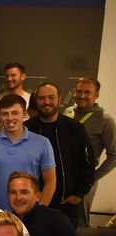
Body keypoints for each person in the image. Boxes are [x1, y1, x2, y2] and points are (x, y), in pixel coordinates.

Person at [25, 83, 95, 228]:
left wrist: (78, 194)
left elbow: (88, 163)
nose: (46, 102)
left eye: (51, 97)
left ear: (59, 99)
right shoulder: (27, 129)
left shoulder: (74, 128)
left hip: (66, 205)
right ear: (36, 100)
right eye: (41, 98)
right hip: (32, 204)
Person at [0, 94, 56, 211]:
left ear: (24, 114)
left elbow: (51, 181)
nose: (9, 118)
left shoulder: (42, 143)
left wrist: (40, 212)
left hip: (29, 213)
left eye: (15, 113)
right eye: (5, 114)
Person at [63, 76, 116, 227]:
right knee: (61, 221)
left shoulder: (105, 119)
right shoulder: (68, 112)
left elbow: (114, 156)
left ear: (97, 95)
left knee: (80, 223)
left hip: (84, 180)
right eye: (79, 91)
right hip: (64, 177)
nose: (82, 96)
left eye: (87, 92)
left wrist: (93, 177)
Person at [0, 62, 32, 128]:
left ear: (23, 76)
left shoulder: (31, 99)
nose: (9, 79)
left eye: (13, 75)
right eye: (7, 76)